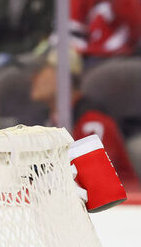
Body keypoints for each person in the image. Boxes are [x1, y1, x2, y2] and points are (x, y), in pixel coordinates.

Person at [30, 47, 140, 189]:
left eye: (40, 70)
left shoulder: (91, 122)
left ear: (62, 76)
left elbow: (98, 185)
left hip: (122, 207)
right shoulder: (51, 121)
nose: (33, 77)